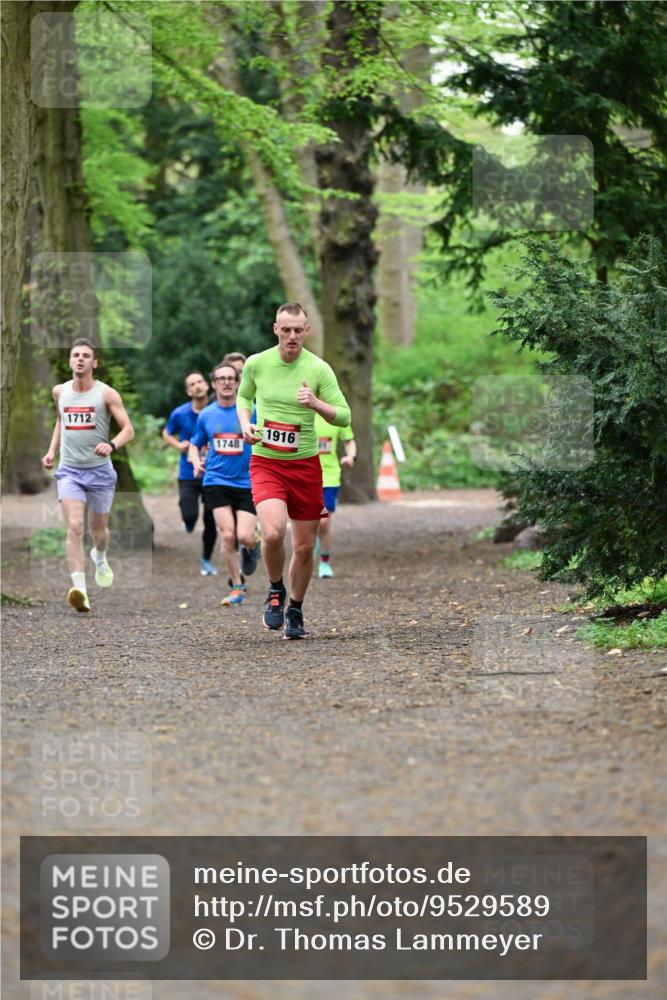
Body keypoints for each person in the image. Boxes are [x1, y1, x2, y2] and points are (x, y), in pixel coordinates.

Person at [237, 302, 351, 639]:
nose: (291, 336)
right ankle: (275, 590)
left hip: (305, 466)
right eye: (285, 329)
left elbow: (344, 415)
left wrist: (316, 403)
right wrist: (245, 423)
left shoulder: (318, 369)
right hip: (267, 461)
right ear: (275, 329)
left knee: (304, 547)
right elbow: (244, 398)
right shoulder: (257, 364)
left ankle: (296, 609)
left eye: (297, 330)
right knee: (272, 532)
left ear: (307, 331)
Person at [41, 339, 134, 612]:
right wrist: (51, 451)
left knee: (99, 530)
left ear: (95, 363)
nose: (80, 359)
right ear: (70, 361)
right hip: (69, 470)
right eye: (75, 355)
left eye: (86, 356)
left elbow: (128, 429)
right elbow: (61, 421)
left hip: (100, 472)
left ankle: (100, 555)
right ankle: (79, 589)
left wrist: (112, 444)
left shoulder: (106, 394)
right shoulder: (59, 392)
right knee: (74, 526)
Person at [188, 362, 259, 606]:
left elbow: (266, 439)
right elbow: (194, 443)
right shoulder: (206, 415)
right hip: (216, 481)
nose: (227, 382)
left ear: (238, 383)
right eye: (221, 379)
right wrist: (196, 462)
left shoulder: (253, 411)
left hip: (247, 482)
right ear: (214, 383)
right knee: (228, 536)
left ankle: (253, 544)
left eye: (231, 378)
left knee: (245, 536)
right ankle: (237, 587)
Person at [162, 370, 218, 576]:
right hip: (188, 473)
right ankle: (188, 520)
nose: (197, 386)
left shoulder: (217, 411)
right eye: (192, 384)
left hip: (213, 473)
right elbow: (166, 433)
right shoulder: (180, 413)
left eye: (200, 381)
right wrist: (178, 445)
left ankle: (206, 559)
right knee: (190, 514)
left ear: (207, 385)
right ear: (188, 391)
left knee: (211, 519)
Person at [314, 412, 356, 578]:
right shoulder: (304, 410)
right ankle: (310, 544)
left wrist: (351, 456)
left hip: (329, 478)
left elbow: (349, 440)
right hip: (306, 477)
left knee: (323, 522)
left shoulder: (337, 414)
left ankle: (324, 562)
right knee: (309, 522)